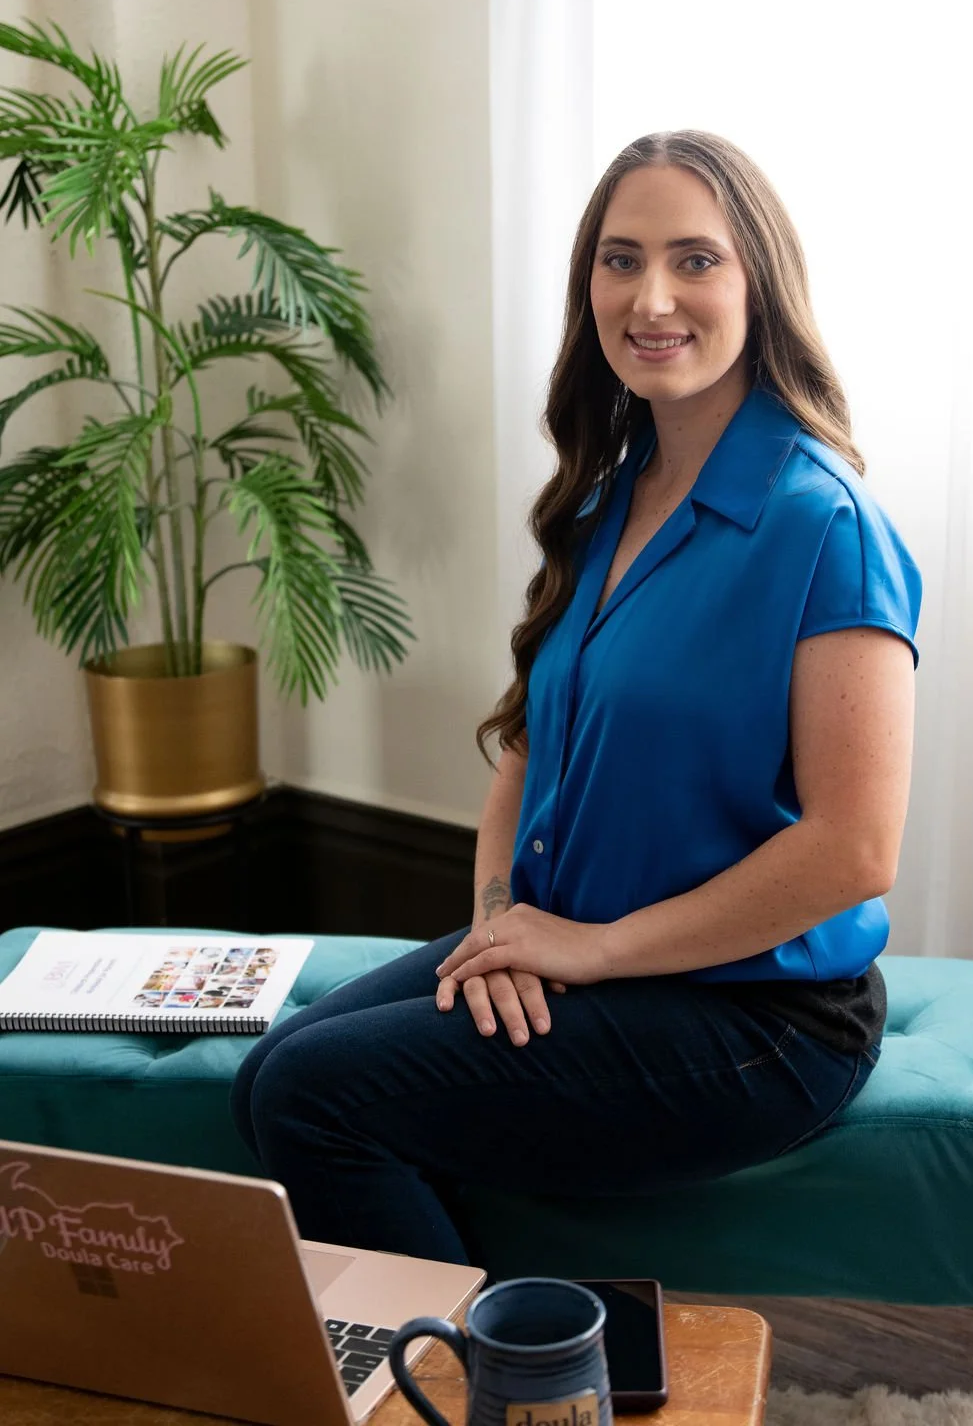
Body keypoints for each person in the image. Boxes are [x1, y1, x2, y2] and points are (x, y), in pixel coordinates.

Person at [229, 129, 921, 1266]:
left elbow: (854, 852)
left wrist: (590, 955)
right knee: (269, 1076)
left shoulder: (823, 527)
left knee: (314, 1096)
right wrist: (501, 924)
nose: (651, 296)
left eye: (695, 260)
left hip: (754, 1018)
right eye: (620, 258)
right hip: (580, 946)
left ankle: (495, 1379)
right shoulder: (612, 500)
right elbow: (524, 748)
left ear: (760, 285)